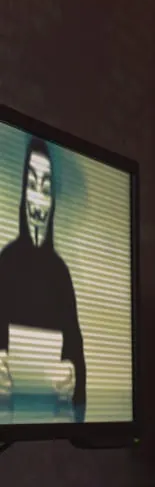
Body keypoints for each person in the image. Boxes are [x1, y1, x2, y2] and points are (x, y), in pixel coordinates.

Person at [0, 138, 86, 418]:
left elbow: (76, 355)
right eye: (32, 186)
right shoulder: (6, 263)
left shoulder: (61, 275)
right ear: (23, 193)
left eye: (46, 188)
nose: (38, 200)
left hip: (52, 420)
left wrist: (72, 376)